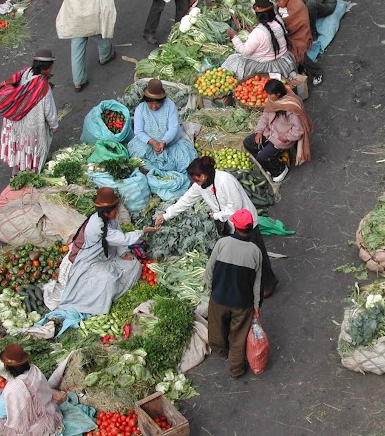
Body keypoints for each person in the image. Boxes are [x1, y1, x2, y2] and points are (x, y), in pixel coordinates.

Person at [155, 156, 279, 298]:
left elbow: (236, 208)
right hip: (229, 225)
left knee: (257, 253)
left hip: (245, 222)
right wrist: (166, 215)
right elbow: (186, 200)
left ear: (203, 175)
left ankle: (269, 283)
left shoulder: (225, 181)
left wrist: (217, 215)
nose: (194, 183)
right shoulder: (201, 185)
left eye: (195, 179)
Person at [58, 188, 159, 315]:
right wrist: (143, 231)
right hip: (91, 262)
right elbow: (121, 238)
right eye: (115, 209)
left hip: (108, 257)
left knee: (134, 265)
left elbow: (119, 237)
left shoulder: (111, 220)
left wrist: (123, 253)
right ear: (106, 212)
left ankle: (112, 290)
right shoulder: (96, 225)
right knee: (108, 279)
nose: (117, 211)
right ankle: (96, 303)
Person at [204, 209, 262, 378]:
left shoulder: (222, 243)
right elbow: (257, 283)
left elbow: (209, 271)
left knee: (216, 328)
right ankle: (236, 369)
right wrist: (256, 306)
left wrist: (212, 290)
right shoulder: (255, 251)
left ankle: (221, 351)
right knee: (238, 337)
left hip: (219, 298)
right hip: (242, 304)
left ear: (234, 225)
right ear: (250, 228)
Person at [55, 0, 116, 93]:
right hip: (91, 21)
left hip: (76, 21)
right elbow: (106, 3)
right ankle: (105, 57)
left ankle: (79, 82)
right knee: (103, 40)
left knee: (76, 52)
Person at [0, 49, 58, 176]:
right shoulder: (42, 86)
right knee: (30, 146)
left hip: (14, 119)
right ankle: (32, 170)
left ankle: (16, 171)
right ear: (45, 69)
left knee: (18, 145)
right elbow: (49, 109)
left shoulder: (25, 72)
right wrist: (54, 125)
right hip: (31, 123)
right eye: (51, 67)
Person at [243, 79, 313, 183]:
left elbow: (299, 129)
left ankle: (280, 169)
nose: (268, 97)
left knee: (262, 157)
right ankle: (271, 158)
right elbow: (265, 116)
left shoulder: (290, 108)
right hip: (270, 132)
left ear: (278, 93)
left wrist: (285, 138)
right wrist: (259, 132)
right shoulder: (273, 101)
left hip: (281, 138)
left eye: (270, 95)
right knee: (248, 142)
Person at [126, 79, 198, 171]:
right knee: (137, 155)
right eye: (151, 103)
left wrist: (163, 142)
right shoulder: (141, 109)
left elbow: (173, 128)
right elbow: (139, 131)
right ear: (146, 101)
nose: (154, 107)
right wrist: (152, 142)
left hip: (171, 143)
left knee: (185, 159)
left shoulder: (170, 105)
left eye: (157, 103)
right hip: (148, 143)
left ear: (162, 100)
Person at [0, 343, 64, 436]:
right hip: (49, 412)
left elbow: (2, 412)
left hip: (34, 424)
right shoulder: (35, 371)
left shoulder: (13, 387)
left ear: (9, 369)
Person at [221, 0, 297, 79]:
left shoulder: (258, 32)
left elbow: (245, 51)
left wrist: (234, 36)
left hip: (266, 67)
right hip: (284, 61)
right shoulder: (278, 20)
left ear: (257, 15)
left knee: (233, 60)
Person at [272, 0, 323, 87]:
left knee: (299, 54)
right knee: (294, 54)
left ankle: (317, 73)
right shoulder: (283, 6)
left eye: (279, 1)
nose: (277, 4)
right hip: (291, 35)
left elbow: (293, 23)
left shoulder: (297, 6)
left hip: (300, 34)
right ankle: (301, 70)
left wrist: (279, 24)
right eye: (276, 1)